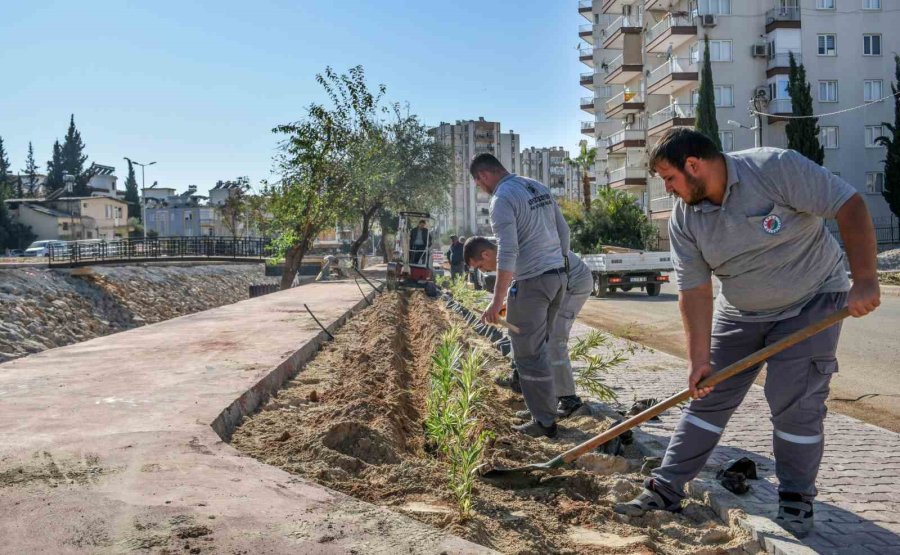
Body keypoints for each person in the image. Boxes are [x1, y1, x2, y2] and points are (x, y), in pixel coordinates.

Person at [614, 128, 880, 538]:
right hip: (740, 311)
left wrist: (864, 280)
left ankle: (795, 500)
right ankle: (665, 487)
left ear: (693, 165)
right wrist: (699, 359)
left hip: (811, 301)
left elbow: (850, 205)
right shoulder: (686, 218)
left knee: (794, 402)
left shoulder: (775, 168)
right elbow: (694, 291)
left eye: (669, 178)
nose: (667, 188)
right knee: (706, 396)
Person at [469, 153, 571, 438]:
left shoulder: (501, 199)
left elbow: (508, 251)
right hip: (556, 277)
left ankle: (544, 422)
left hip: (533, 283)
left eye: (479, 183)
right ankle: (542, 407)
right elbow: (564, 231)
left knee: (528, 354)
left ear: (483, 176)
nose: (481, 188)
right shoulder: (536, 186)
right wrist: (558, 264)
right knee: (542, 347)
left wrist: (497, 301)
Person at [466, 237, 591, 417]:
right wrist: (497, 312)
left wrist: (497, 308)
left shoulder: (512, 253)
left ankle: (568, 399)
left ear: (486, 254)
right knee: (532, 331)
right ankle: (544, 398)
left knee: (554, 338)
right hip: (554, 284)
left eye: (480, 266)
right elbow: (517, 295)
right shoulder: (508, 257)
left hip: (573, 283)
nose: (483, 271)